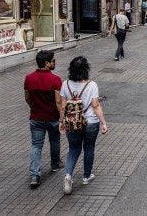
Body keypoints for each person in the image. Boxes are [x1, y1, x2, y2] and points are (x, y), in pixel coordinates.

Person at [59, 56, 108, 194]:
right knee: (89, 147)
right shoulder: (92, 85)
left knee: (73, 148)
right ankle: (86, 176)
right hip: (91, 122)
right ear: (86, 69)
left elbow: (63, 107)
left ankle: (68, 175)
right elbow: (96, 105)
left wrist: (61, 122)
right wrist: (103, 122)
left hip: (72, 122)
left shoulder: (65, 84)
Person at [24, 50, 63, 188]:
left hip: (36, 117)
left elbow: (27, 98)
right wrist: (62, 118)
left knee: (36, 145)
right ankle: (55, 164)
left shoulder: (29, 78)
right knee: (54, 141)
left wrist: (34, 107)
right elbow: (58, 102)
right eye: (53, 61)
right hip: (52, 117)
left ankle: (35, 175)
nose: (54, 62)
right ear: (46, 63)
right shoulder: (56, 79)